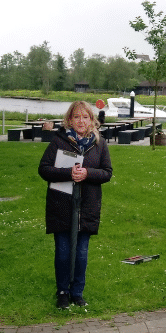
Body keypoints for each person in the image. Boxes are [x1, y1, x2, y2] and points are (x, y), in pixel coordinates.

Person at [37, 101, 113, 309]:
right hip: (61, 205)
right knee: (63, 252)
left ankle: (77, 293)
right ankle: (62, 292)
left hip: (87, 206)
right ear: (69, 120)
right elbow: (44, 169)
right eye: (76, 117)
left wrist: (87, 173)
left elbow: (107, 172)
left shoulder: (99, 143)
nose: (81, 121)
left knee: (81, 253)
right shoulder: (59, 141)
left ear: (91, 120)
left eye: (85, 117)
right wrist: (68, 173)